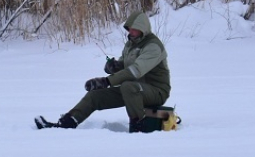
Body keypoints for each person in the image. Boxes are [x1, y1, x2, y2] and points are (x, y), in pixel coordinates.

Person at [35, 11, 171, 133]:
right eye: (130, 29)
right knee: (95, 96)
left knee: (128, 86)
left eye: (135, 29)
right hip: (132, 89)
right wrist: (114, 66)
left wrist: (107, 81)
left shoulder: (153, 46)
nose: (131, 32)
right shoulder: (131, 44)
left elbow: (135, 71)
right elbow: (125, 65)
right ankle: (65, 124)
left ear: (143, 29)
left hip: (156, 91)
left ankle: (138, 129)